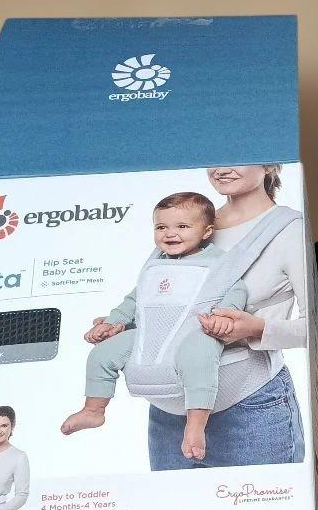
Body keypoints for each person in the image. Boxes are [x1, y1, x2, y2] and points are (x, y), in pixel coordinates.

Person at [60, 192, 246, 460]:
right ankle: (94, 410)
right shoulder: (155, 265)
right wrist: (114, 322)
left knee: (200, 359)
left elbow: (236, 289)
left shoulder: (218, 262)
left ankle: (195, 425)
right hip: (151, 332)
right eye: (161, 227)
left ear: (206, 232)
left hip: (196, 331)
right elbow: (135, 299)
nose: (170, 233)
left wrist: (224, 316)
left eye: (182, 226)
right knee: (102, 354)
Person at [148, 164, 307, 470]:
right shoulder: (187, 222)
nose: (222, 169)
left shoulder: (290, 231)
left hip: (250, 408)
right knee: (176, 502)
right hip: (171, 409)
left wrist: (257, 328)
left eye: (239, 156)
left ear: (270, 163)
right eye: (217, 157)